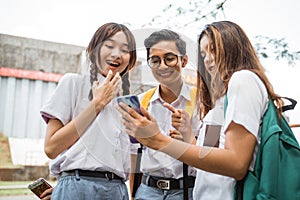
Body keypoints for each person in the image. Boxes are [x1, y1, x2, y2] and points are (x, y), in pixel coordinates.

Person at [117, 21, 285, 199]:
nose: (208, 59)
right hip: (155, 190)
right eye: (204, 54)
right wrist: (189, 136)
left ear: (184, 61)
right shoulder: (220, 102)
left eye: (213, 49)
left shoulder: (234, 85)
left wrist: (159, 140)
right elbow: (210, 153)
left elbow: (235, 163)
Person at [40, 22, 137, 200]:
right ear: (94, 49)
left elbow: (132, 157)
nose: (116, 54)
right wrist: (97, 103)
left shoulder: (128, 103)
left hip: (117, 190)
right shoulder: (73, 83)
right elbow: (51, 147)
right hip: (77, 188)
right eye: (109, 46)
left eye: (125, 50)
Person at [130, 29, 201, 200]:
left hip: (187, 190)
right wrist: (133, 195)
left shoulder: (202, 103)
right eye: (155, 60)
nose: (162, 66)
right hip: (147, 191)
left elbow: (213, 154)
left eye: (169, 59)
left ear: (183, 61)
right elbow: (134, 155)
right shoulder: (141, 102)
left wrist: (189, 139)